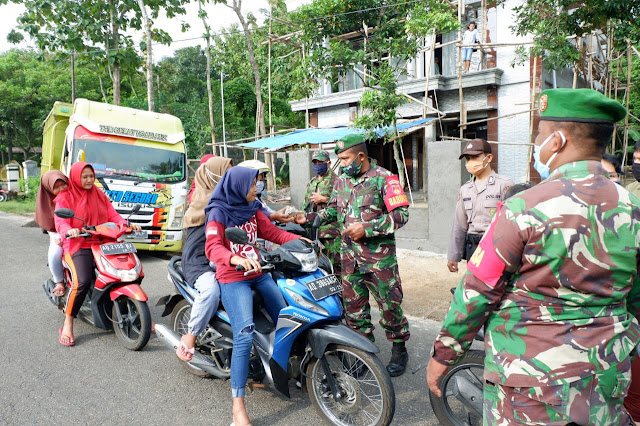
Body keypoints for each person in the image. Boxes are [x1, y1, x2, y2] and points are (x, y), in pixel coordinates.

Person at [426, 88, 639, 424]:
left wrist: (444, 355)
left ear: (556, 141)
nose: (537, 145)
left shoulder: (522, 207)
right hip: (606, 374)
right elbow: (636, 298)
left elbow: (478, 291)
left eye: (539, 135)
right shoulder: (634, 209)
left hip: (531, 382)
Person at [204, 166, 302, 426]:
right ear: (237, 186)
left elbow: (273, 232)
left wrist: (302, 244)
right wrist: (234, 257)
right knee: (244, 334)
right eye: (251, 185)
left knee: (288, 318)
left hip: (258, 271)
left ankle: (283, 367)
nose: (255, 189)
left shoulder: (253, 208)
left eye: (256, 185)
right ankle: (238, 407)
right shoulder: (218, 212)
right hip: (233, 277)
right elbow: (212, 248)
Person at [315, 134, 411, 377]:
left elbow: (401, 216)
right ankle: (363, 355)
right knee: (354, 311)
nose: (342, 164)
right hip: (348, 260)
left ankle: (399, 348)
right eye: (339, 159)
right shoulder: (342, 181)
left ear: (360, 156)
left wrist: (367, 229)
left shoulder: (385, 178)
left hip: (379, 262)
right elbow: (334, 210)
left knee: (390, 307)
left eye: (345, 159)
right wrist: (310, 219)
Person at [54, 162, 142, 346]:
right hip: (78, 244)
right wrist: (70, 230)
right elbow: (61, 221)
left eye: (91, 176)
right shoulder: (65, 197)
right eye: (84, 177)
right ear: (76, 177)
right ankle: (68, 321)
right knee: (83, 281)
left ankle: (137, 312)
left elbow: (113, 215)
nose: (89, 180)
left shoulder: (99, 193)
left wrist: (126, 226)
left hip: (102, 242)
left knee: (129, 271)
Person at [175, 156, 233, 361]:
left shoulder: (228, 197)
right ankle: (191, 336)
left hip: (222, 256)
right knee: (211, 290)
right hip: (199, 260)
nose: (230, 178)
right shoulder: (207, 200)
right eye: (226, 173)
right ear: (214, 176)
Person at [447, 138, 513, 273]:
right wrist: (454, 255)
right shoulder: (465, 189)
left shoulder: (504, 185)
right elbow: (459, 224)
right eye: (468, 159)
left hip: (495, 246)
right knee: (474, 287)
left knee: (494, 288)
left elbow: (513, 223)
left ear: (489, 158)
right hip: (472, 246)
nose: (471, 162)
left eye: (475, 157)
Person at [301, 150, 342, 277]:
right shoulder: (312, 182)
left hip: (330, 232)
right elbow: (305, 204)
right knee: (317, 265)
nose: (317, 165)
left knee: (335, 266)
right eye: (315, 162)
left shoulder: (337, 181)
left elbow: (345, 201)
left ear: (328, 163)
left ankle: (339, 294)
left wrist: (324, 199)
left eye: (321, 162)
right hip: (313, 231)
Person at [35, 170, 69, 297]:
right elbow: (51, 227)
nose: (61, 189)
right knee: (55, 253)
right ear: (48, 188)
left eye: (63, 184)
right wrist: (60, 238)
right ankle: (59, 281)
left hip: (80, 233)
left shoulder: (75, 196)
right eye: (56, 187)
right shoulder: (46, 205)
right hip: (58, 236)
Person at [237, 159, 293, 224]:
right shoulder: (244, 204)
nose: (259, 184)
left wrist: (285, 212)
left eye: (261, 180)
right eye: (255, 182)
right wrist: (274, 217)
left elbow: (268, 211)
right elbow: (259, 220)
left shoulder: (259, 199)